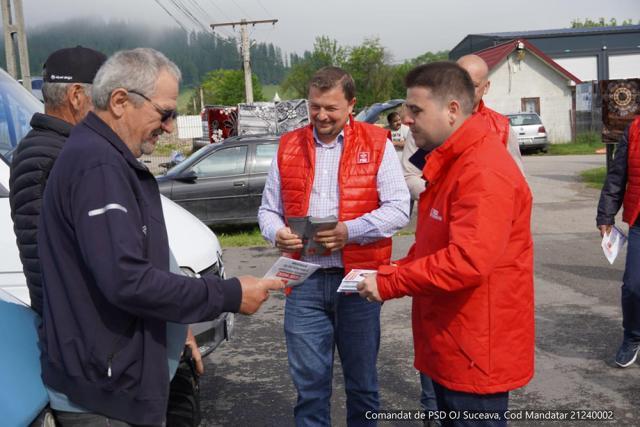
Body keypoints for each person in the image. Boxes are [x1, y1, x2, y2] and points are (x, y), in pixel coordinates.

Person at [37, 48, 283, 426]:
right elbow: (127, 279)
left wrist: (175, 321)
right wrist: (229, 294)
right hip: (106, 398)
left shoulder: (103, 157)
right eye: (165, 112)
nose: (170, 127)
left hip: (113, 384)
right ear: (120, 101)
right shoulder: (98, 164)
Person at [357, 62, 534, 427]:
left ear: (452, 110)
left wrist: (390, 282)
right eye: (407, 109)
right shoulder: (453, 161)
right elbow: (433, 247)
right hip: (455, 341)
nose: (406, 118)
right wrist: (391, 271)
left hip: (474, 350)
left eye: (416, 109)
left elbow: (466, 261)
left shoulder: (481, 169)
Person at [258, 66, 410, 426]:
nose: (321, 116)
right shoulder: (288, 144)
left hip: (358, 281)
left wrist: (350, 231)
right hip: (304, 281)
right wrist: (276, 232)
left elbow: (398, 209)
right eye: (314, 107)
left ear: (351, 105)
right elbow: (268, 209)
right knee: (310, 389)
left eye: (331, 108)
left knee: (362, 386)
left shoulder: (377, 142)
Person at [10, 45, 107, 317]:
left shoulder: (60, 149)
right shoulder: (54, 156)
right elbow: (52, 264)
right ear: (76, 96)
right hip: (78, 331)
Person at [597, 116, 640, 367]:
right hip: (639, 222)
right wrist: (606, 214)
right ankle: (633, 337)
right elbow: (617, 176)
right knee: (634, 285)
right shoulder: (634, 129)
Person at [456, 54, 524, 173]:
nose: (465, 90)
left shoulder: (502, 128)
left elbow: (518, 178)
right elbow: (413, 173)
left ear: (486, 87)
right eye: (460, 84)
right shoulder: (433, 123)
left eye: (473, 85)